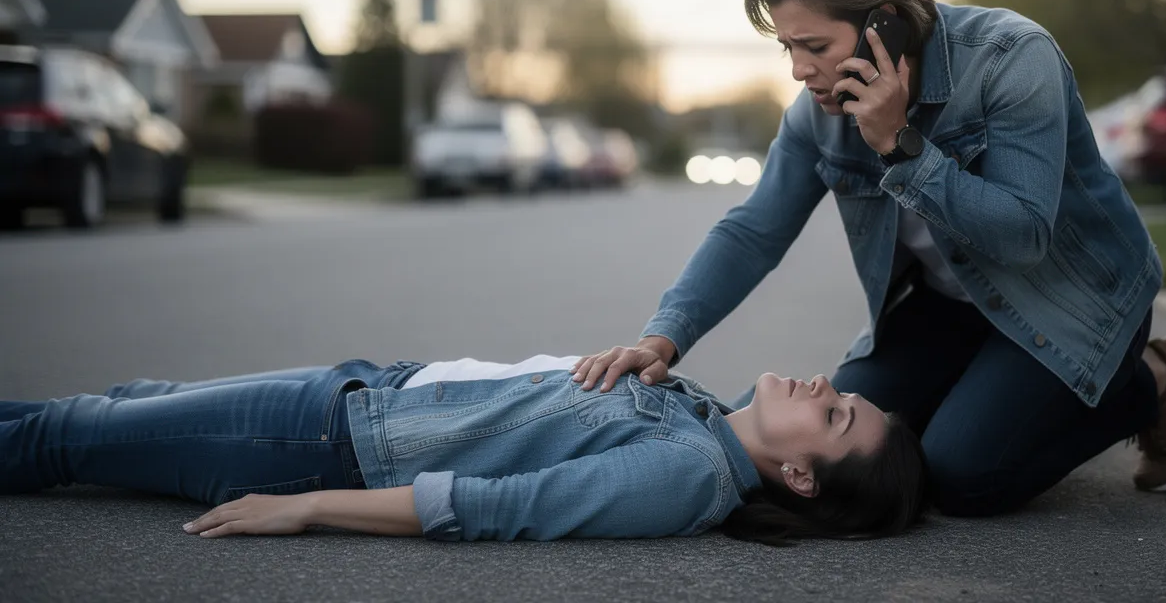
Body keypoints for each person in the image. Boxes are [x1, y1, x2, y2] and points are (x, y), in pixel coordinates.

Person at [571, 0, 1166, 517]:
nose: (799, 71)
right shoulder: (815, 112)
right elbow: (753, 229)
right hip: (948, 309)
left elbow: (1023, 239)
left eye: (814, 46)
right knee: (837, 455)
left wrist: (902, 145)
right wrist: (663, 337)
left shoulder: (1013, 59)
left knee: (963, 476)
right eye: (788, 48)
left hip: (1071, 299)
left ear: (887, 24)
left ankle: (1153, 377)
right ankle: (985, 392)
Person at [1, 355, 927, 545]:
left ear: (800, 475)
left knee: (62, 436)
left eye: (839, 415)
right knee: (102, 407)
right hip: (361, 391)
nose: (826, 388)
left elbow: (490, 508)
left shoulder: (682, 475)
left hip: (315, 444)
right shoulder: (696, 414)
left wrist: (307, 505)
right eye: (849, 393)